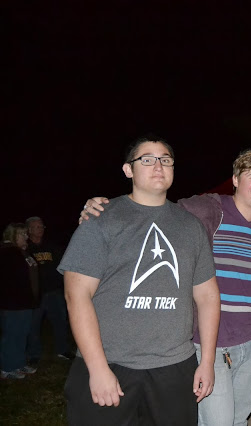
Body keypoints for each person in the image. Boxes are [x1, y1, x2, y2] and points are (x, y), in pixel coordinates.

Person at [82, 148, 251, 426]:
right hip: (210, 342)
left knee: (238, 420)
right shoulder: (208, 210)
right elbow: (153, 207)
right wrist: (103, 207)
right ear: (235, 179)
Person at [60, 136, 220, 425]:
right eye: (147, 159)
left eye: (165, 160)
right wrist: (98, 369)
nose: (158, 166)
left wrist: (207, 362)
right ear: (128, 169)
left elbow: (208, 297)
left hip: (175, 367)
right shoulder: (101, 220)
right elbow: (77, 296)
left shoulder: (190, 226)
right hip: (111, 365)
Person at [25, 216, 74, 362]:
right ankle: (34, 354)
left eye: (42, 226)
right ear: (29, 230)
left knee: (60, 321)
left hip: (54, 291)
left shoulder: (51, 246)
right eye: (37, 226)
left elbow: (62, 264)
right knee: (34, 325)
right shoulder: (26, 248)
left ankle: (62, 350)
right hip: (35, 294)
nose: (41, 229)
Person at [1, 223, 38, 379]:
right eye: (22, 234)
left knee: (22, 334)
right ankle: (7, 368)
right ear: (12, 235)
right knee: (12, 335)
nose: (26, 237)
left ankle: (19, 363)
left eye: (26, 234)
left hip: (25, 301)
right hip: (12, 303)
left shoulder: (21, 251)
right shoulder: (7, 252)